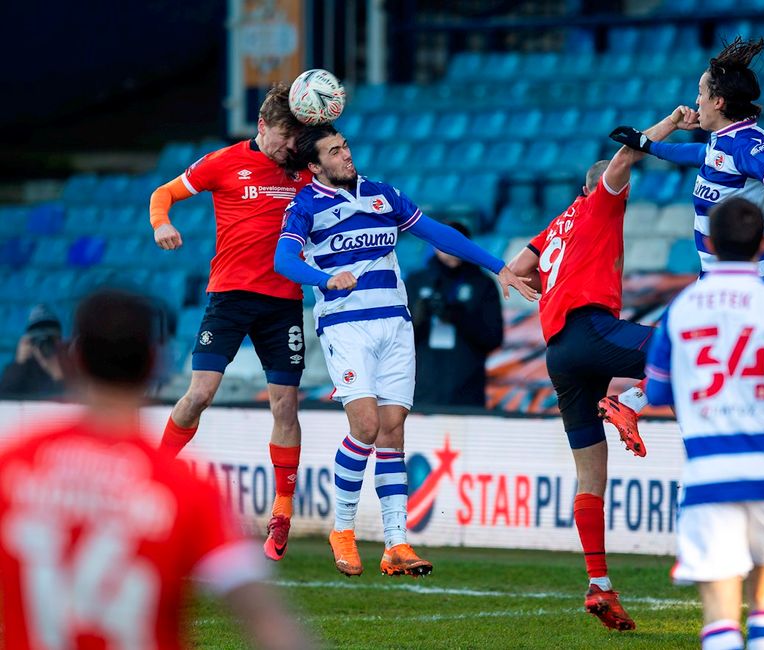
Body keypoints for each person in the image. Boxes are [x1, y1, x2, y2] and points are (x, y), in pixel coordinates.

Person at [274, 123, 537, 578]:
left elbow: (438, 234)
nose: (345, 155)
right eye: (334, 152)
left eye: (345, 146)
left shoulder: (383, 195)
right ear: (314, 165)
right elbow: (282, 261)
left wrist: (498, 267)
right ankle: (343, 530)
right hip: (346, 326)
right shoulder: (305, 207)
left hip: (395, 323)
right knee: (367, 425)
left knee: (392, 430)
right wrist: (323, 280)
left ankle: (396, 543)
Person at [0, 289, 312, 650]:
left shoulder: (15, 466)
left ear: (72, 361)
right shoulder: (185, 488)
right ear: (154, 363)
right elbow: (268, 622)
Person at [603, 36, 764, 451]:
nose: (696, 101)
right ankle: (641, 405)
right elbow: (700, 157)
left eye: (702, 93)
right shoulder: (724, 140)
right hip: (716, 273)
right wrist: (647, 144)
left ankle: (639, 404)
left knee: (713, 352)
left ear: (719, 101)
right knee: (711, 352)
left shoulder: (750, 146)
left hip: (746, 277)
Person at [506, 113, 684, 631]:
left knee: (590, 474)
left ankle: (599, 584)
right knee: (686, 345)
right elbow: (628, 156)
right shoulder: (603, 200)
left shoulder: (558, 223)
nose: (621, 187)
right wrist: (673, 121)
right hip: (590, 330)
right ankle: (629, 402)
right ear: (600, 185)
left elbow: (516, 268)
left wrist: (534, 291)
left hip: (559, 352)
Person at [644, 198, 764, 650]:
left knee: (720, 613)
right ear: (762, 245)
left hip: (709, 471)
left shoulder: (681, 306)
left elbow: (654, 393)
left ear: (709, 242)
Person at [148, 83, 311, 562]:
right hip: (231, 297)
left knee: (285, 406)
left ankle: (281, 511)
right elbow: (164, 192)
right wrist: (162, 223)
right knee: (199, 393)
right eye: (284, 136)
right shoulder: (222, 162)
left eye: (297, 138)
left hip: (283, 301)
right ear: (262, 127)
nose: (290, 146)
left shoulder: (304, 171)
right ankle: (154, 475)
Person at [406, 220, 504, 408]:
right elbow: (397, 341)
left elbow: (494, 338)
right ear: (434, 245)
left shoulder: (483, 284)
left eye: (459, 243)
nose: (451, 248)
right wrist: (417, 319)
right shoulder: (416, 281)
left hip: (467, 391)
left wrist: (459, 317)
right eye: (445, 242)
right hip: (422, 390)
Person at [0, 304, 68, 397]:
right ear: (29, 342)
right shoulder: (23, 368)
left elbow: (78, 401)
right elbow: (4, 399)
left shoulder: (69, 365)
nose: (45, 344)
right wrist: (19, 363)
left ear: (59, 340)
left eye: (50, 339)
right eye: (39, 340)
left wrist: (58, 374)